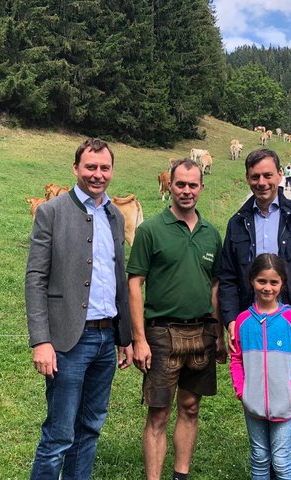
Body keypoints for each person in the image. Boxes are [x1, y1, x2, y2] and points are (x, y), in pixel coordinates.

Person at [219, 149, 291, 480]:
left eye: (267, 175)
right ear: (247, 179)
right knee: (262, 409)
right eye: (255, 176)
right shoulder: (238, 223)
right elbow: (228, 279)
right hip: (256, 335)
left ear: (279, 177)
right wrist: (230, 321)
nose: (262, 182)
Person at [25, 137, 134, 480]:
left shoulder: (115, 216)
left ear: (112, 171)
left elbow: (119, 278)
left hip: (106, 340)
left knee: (89, 428)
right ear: (75, 169)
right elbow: (35, 279)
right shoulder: (51, 212)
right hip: (68, 341)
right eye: (90, 167)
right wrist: (41, 341)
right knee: (59, 435)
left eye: (104, 168)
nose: (97, 174)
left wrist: (125, 336)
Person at [127, 159, 227, 480]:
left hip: (202, 332)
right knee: (158, 414)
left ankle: (180, 474)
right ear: (169, 185)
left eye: (192, 185)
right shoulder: (150, 231)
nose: (186, 191)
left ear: (201, 187)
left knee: (190, 407)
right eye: (180, 184)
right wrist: (139, 339)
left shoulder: (212, 234)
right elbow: (134, 284)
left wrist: (219, 334)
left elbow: (215, 286)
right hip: (161, 333)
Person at [230, 253, 291, 480]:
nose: (267, 288)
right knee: (258, 458)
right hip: (253, 405)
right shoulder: (243, 322)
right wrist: (242, 391)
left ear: (282, 284)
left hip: (284, 405)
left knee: (281, 460)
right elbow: (236, 359)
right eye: (262, 281)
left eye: (273, 282)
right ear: (251, 281)